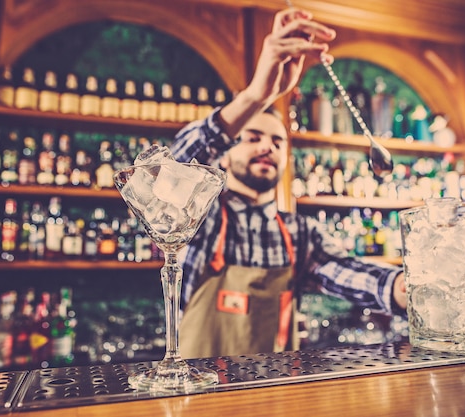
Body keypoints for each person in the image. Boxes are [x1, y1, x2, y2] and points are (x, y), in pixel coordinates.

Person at [170, 7, 407, 359]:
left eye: (278, 142)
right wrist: (256, 97)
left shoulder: (298, 232)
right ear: (224, 155)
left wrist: (403, 287)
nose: (267, 146)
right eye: (252, 137)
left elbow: (345, 269)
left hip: (274, 393)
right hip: (199, 395)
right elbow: (172, 176)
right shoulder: (199, 219)